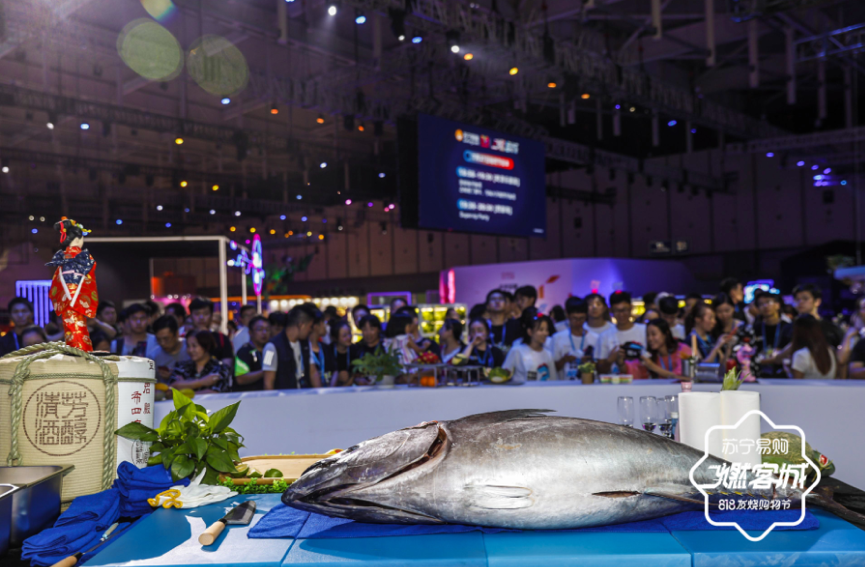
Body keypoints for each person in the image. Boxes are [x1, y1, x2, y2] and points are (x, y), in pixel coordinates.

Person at [263, 306, 317, 390]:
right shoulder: (270, 348)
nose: (311, 330)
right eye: (310, 326)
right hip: (283, 400)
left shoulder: (306, 344)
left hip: (305, 397)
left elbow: (313, 372)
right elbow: (268, 383)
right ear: (301, 325)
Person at [501, 314, 557, 383]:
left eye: (546, 330)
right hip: (521, 392)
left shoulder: (548, 354)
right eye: (541, 329)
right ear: (530, 332)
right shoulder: (517, 351)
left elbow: (553, 379)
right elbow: (503, 375)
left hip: (543, 392)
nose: (545, 333)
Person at [751, 291, 794, 377]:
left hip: (783, 373)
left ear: (778, 305)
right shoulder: (755, 328)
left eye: (769, 302)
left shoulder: (789, 327)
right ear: (757, 308)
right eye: (761, 304)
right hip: (759, 373)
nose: (765, 306)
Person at [608, 291, 647, 376]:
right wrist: (610, 359)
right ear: (611, 310)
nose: (621, 314)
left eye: (624, 310)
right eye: (617, 310)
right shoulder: (604, 336)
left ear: (631, 308)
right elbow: (601, 369)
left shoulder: (645, 330)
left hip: (644, 382)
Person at [189, 297, 234, 369]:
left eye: (205, 313)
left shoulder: (222, 339)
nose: (201, 317)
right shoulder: (185, 339)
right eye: (197, 314)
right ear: (191, 316)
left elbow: (227, 367)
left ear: (212, 315)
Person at [551, 297, 590, 380]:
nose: (578, 321)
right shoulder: (557, 338)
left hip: (587, 385)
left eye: (582, 318)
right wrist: (564, 360)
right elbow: (552, 369)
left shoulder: (595, 338)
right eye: (575, 318)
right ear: (567, 315)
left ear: (586, 315)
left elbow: (600, 368)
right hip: (564, 387)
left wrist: (589, 362)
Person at [792, 284, 842, 348]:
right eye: (797, 299)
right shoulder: (789, 328)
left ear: (817, 301)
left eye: (805, 298)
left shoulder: (831, 329)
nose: (800, 302)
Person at [790, 315, 836, 379]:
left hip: (806, 388)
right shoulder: (831, 350)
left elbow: (797, 385)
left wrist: (788, 371)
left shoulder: (800, 355)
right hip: (829, 388)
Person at [234, 315, 271, 392]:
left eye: (267, 330)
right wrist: (265, 372)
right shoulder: (244, 351)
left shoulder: (270, 350)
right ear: (250, 332)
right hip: (248, 397)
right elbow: (240, 378)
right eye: (259, 329)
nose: (264, 333)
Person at [150, 315, 190, 384]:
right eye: (158, 340)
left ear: (177, 334)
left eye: (166, 339)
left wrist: (172, 376)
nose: (162, 343)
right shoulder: (153, 356)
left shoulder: (190, 348)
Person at [583, 293, 617, 372]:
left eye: (598, 304)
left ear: (605, 308)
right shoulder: (581, 329)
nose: (594, 307)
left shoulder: (613, 329)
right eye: (590, 304)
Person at [306, 306, 332, 388]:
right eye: (323, 323)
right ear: (315, 326)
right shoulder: (303, 349)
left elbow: (335, 371)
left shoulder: (326, 348)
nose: (325, 326)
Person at [329, 320, 357, 386]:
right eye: (344, 336)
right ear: (335, 338)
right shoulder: (328, 351)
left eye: (349, 333)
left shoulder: (355, 350)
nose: (349, 337)